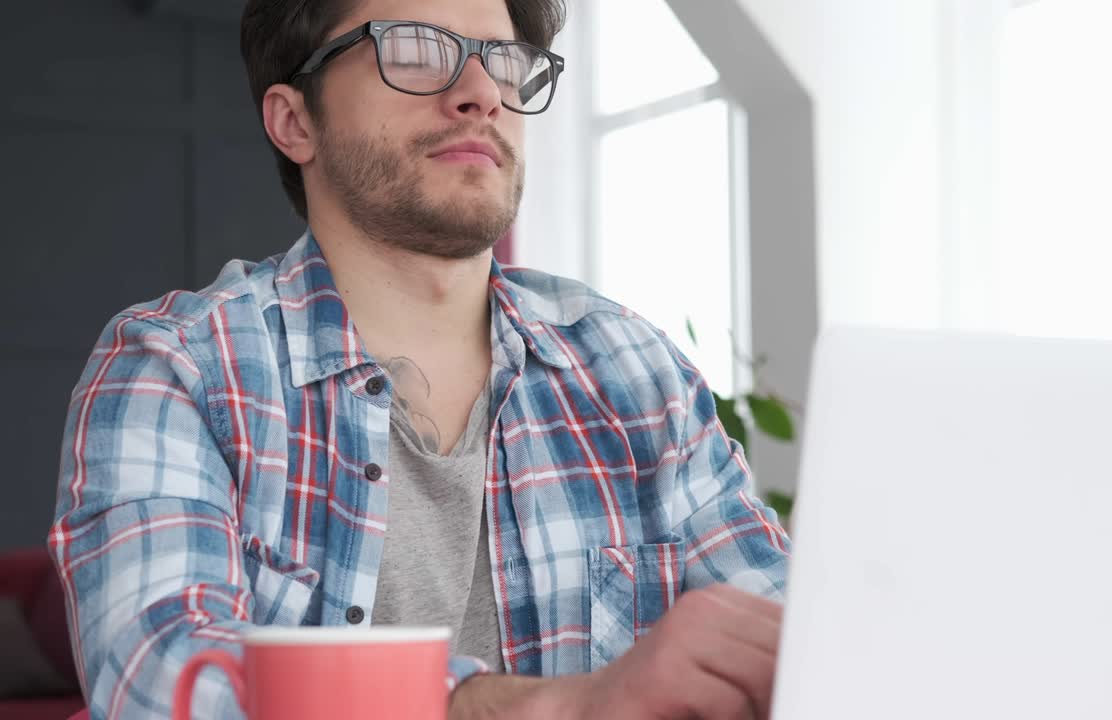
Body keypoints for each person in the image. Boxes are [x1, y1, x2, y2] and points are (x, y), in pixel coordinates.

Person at [48, 0, 791, 717]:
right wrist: (541, 709)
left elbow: (796, 641)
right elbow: (158, 682)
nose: (480, 94)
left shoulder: (635, 370)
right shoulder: (178, 370)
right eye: (412, 50)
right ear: (295, 121)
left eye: (504, 63)